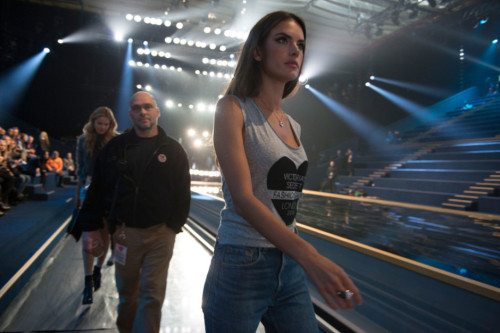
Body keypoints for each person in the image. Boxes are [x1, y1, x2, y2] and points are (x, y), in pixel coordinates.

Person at [202, 11, 362, 332]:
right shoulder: (232, 108)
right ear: (257, 52)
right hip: (241, 261)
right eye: (282, 40)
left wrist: (297, 254)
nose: (295, 51)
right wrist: (310, 256)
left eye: (300, 45)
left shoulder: (294, 126)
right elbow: (244, 199)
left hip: (287, 263)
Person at [77, 92, 191, 332]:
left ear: (157, 111)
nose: (143, 112)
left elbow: (183, 192)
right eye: (137, 108)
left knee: (152, 294)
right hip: (125, 234)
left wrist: (173, 226)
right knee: (128, 295)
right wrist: (89, 227)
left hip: (161, 234)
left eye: (148, 107)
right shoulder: (115, 150)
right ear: (130, 114)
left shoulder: (173, 150)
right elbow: (97, 189)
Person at [75, 106, 118, 305]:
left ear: (110, 125)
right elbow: (80, 170)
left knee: (105, 233)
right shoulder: (83, 140)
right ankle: (87, 280)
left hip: (108, 193)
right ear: (93, 122)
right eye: (99, 123)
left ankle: (98, 269)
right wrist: (78, 194)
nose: (101, 127)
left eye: (105, 124)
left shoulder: (115, 141)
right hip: (88, 191)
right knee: (88, 236)